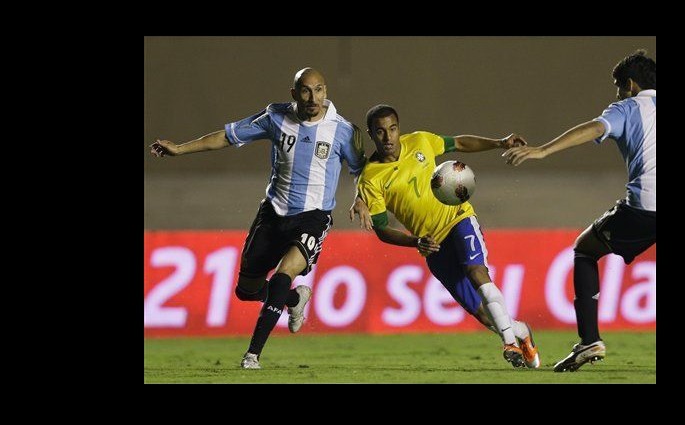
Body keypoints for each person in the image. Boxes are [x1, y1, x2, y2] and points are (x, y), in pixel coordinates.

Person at [149, 67, 369, 370]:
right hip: (273, 213)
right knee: (246, 291)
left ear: (326, 91)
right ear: (294, 94)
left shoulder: (343, 130)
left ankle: (252, 355)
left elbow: (361, 170)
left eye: (319, 89)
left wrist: (362, 198)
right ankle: (294, 300)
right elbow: (227, 137)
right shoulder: (275, 117)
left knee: (282, 275)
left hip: (313, 217)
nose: (313, 97)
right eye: (305, 90)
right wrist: (180, 149)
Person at [351, 104, 541, 369]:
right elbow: (382, 229)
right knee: (483, 315)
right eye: (380, 132)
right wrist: (415, 242)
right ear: (371, 134)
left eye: (393, 129)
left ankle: (509, 342)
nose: (388, 137)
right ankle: (520, 331)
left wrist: (500, 142)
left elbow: (460, 143)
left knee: (477, 272)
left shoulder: (420, 141)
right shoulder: (371, 178)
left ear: (399, 128)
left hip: (458, 219)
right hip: (432, 245)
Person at [503, 49, 656, 372]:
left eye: (618, 86)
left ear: (630, 84)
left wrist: (543, 151)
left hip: (646, 205)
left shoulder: (627, 107)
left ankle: (589, 341)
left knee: (585, 249)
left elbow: (593, 128)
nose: (616, 93)